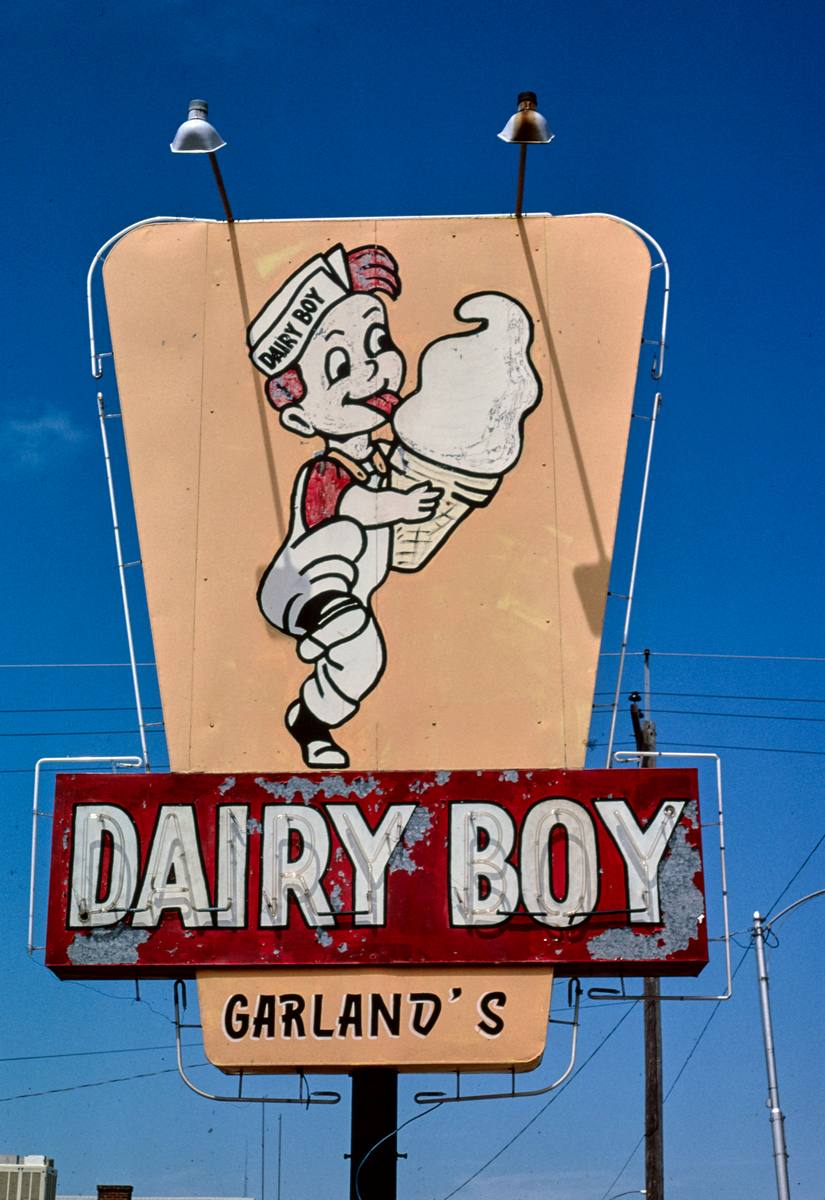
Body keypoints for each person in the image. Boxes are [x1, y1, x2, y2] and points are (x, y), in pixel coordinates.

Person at [248, 244, 441, 769]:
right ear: (299, 419)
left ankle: (311, 720)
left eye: (378, 343)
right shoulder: (326, 471)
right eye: (340, 367)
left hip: (351, 599)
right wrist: (400, 504)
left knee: (365, 661)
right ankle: (322, 625)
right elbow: (352, 508)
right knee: (348, 533)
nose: (376, 370)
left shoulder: (384, 459)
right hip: (297, 588)